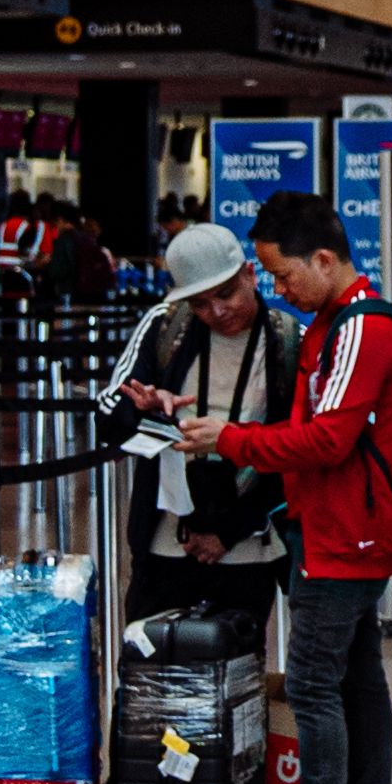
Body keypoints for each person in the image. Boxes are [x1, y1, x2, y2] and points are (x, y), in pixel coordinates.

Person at [143, 190, 392, 784]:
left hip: (342, 534)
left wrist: (228, 437)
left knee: (317, 687)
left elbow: (327, 439)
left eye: (283, 275)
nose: (278, 290)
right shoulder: (330, 323)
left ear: (323, 259)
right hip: (329, 530)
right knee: (355, 680)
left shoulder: (360, 327)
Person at [113, 222, 295, 627]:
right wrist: (149, 410)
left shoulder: (286, 340)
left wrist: (229, 531)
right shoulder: (165, 326)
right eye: (198, 303)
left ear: (250, 274)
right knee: (152, 667)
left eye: (225, 294)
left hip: (252, 543)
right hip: (166, 537)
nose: (216, 311)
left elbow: (294, 448)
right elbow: (111, 414)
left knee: (235, 671)